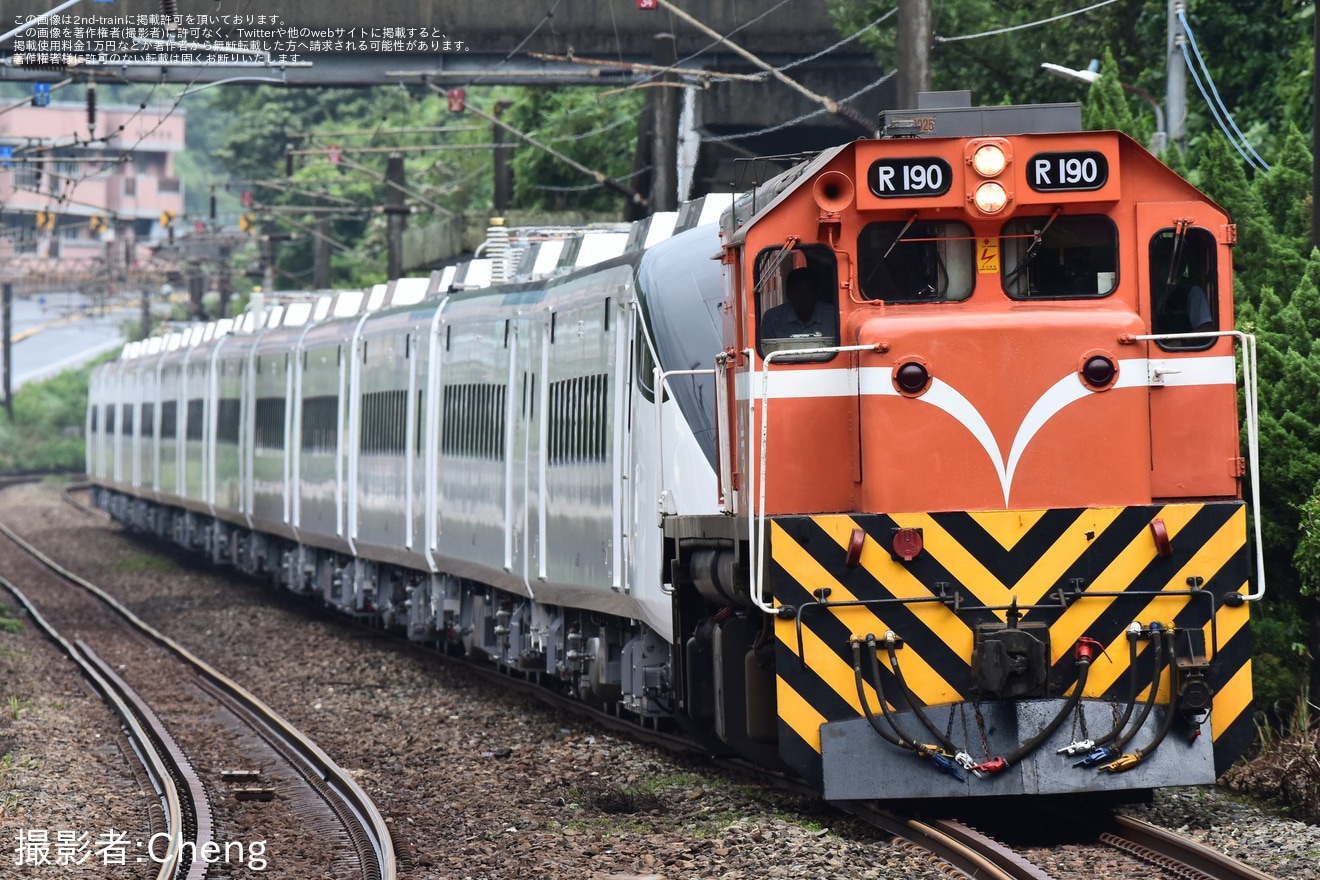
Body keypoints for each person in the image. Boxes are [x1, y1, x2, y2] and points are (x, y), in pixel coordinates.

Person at [760, 267, 835, 340]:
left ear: (817, 292)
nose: (802, 296)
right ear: (788, 294)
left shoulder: (833, 316)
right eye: (797, 291)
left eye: (807, 290)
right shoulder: (772, 318)